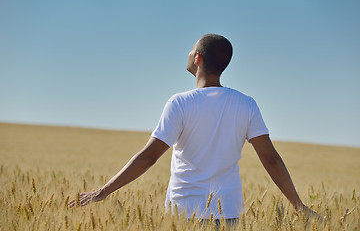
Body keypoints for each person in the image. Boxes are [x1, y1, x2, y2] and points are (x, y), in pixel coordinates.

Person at [68, 34, 318, 222]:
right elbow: (271, 159)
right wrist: (298, 204)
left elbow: (148, 157)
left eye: (191, 50)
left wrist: (102, 192)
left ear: (197, 57)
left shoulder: (180, 103)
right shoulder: (247, 104)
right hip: (229, 213)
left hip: (184, 214)